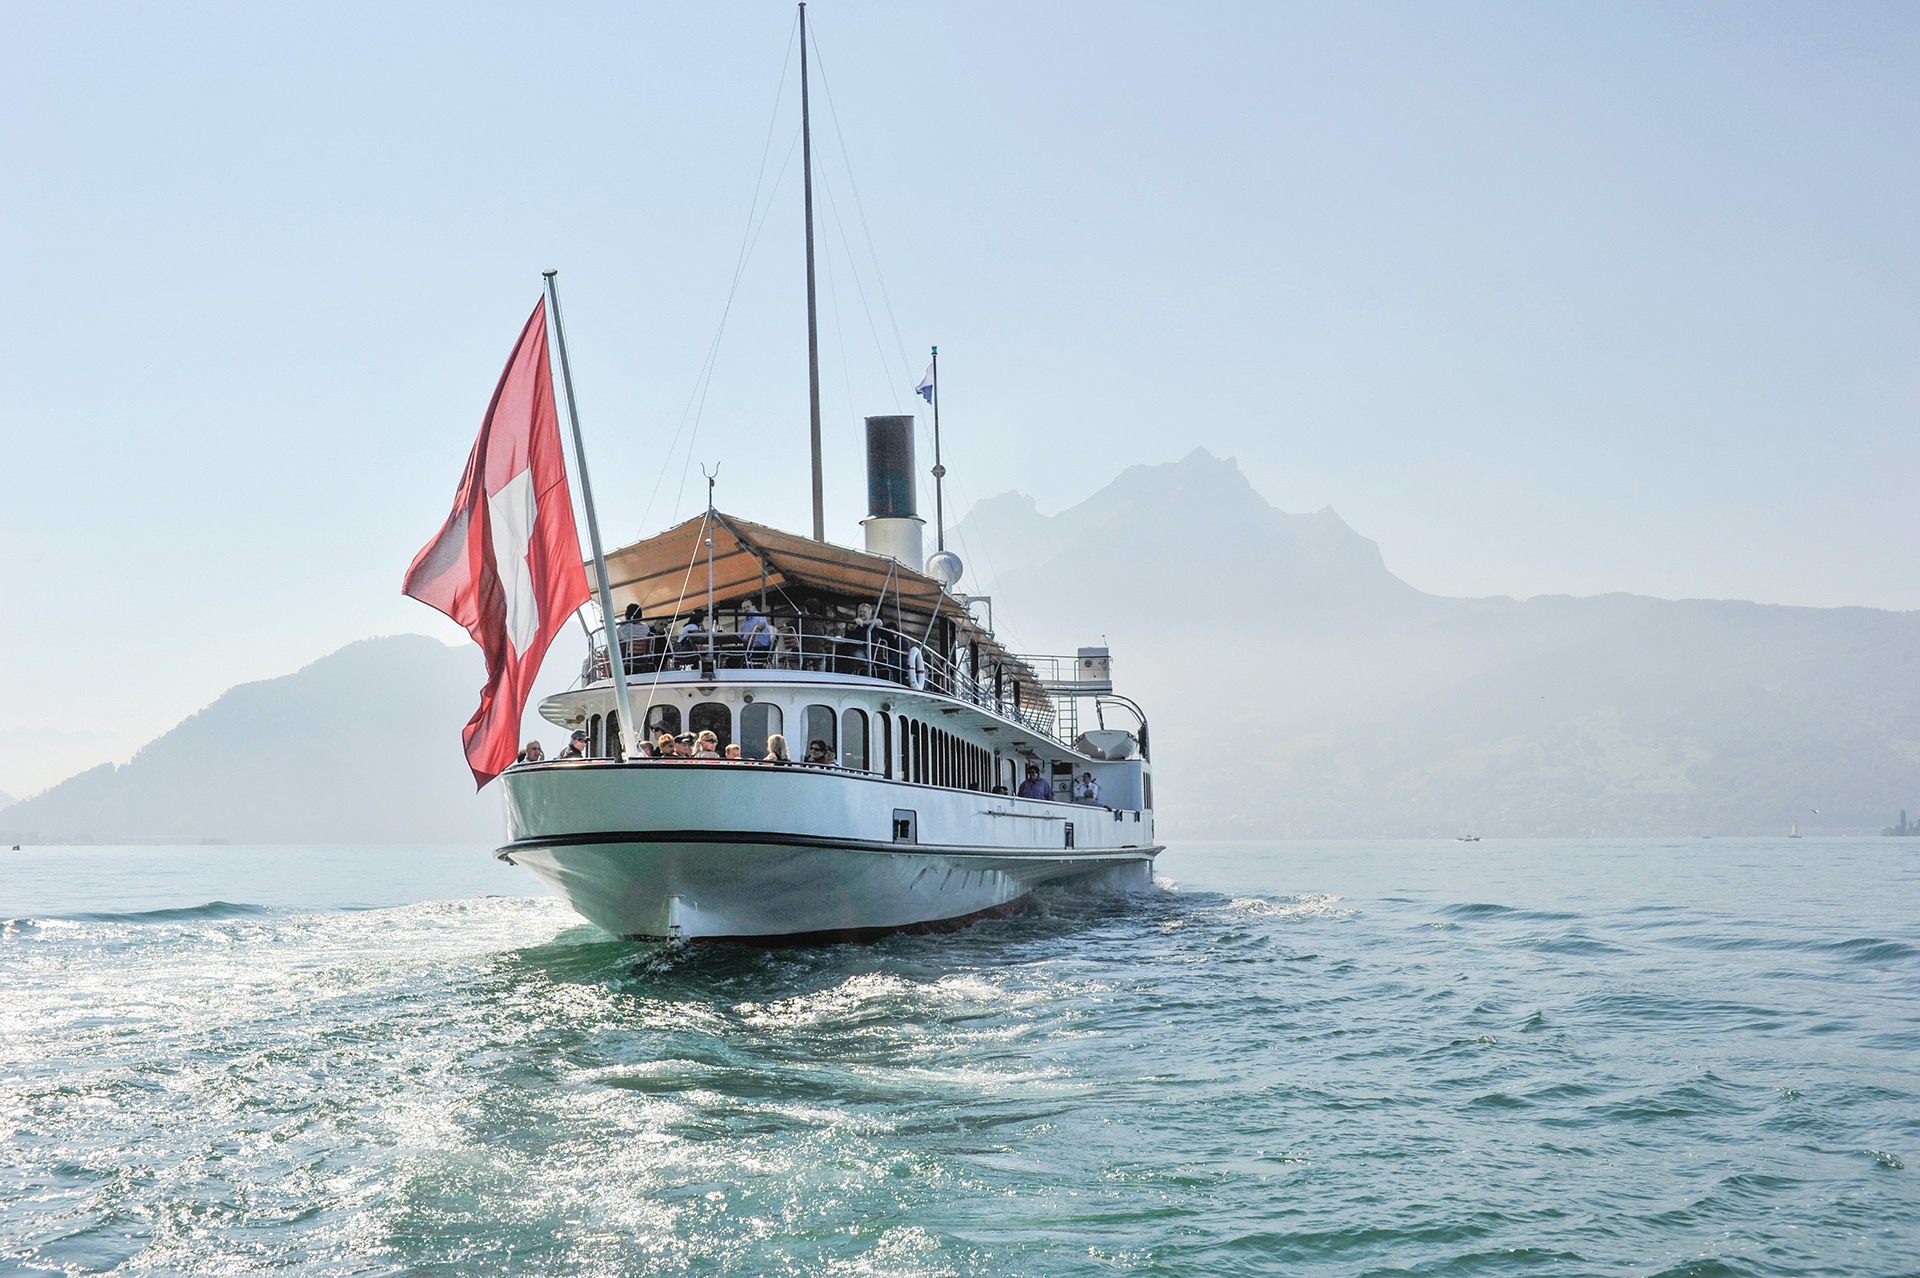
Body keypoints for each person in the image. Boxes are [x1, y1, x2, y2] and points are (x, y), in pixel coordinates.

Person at [616, 604, 651, 674]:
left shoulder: (624, 628)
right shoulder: (646, 629)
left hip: (628, 658)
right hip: (642, 658)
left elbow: (618, 641)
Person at [742, 599, 774, 665]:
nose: (746, 609)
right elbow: (741, 633)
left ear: (754, 607)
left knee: (734, 658)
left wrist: (749, 634)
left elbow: (761, 625)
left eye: (748, 607)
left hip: (761, 649)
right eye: (744, 608)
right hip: (750, 649)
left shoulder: (759, 615)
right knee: (733, 656)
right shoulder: (745, 621)